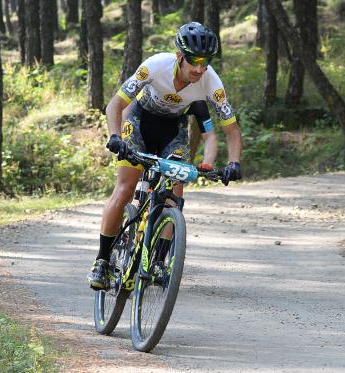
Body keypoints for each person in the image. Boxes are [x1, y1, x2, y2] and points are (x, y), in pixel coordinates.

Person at [88, 22, 244, 290]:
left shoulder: (212, 83)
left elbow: (230, 130)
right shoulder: (155, 65)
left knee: (175, 193)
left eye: (205, 62)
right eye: (193, 60)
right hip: (138, 121)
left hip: (173, 130)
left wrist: (234, 163)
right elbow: (116, 104)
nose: (199, 68)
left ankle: (157, 260)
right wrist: (115, 136)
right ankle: (102, 261)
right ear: (179, 56)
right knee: (126, 187)